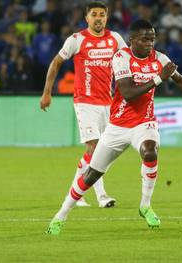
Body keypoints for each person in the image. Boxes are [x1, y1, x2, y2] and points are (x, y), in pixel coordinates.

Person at [46, 19, 182, 235]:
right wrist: (158, 79)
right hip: (117, 126)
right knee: (91, 174)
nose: (149, 43)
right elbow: (128, 93)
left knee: (150, 151)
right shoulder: (121, 57)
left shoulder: (160, 58)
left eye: (152, 38)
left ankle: (145, 205)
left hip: (144, 123)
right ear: (132, 40)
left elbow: (180, 79)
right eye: (145, 39)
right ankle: (61, 215)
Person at [40, 2, 127, 208]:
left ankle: (75, 192)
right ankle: (102, 196)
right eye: (94, 14)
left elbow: (128, 61)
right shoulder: (76, 40)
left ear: (107, 17)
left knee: (102, 152)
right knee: (95, 149)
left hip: (109, 102)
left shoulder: (115, 39)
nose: (98, 18)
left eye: (102, 15)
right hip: (85, 102)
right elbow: (56, 63)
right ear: (86, 18)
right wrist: (47, 92)